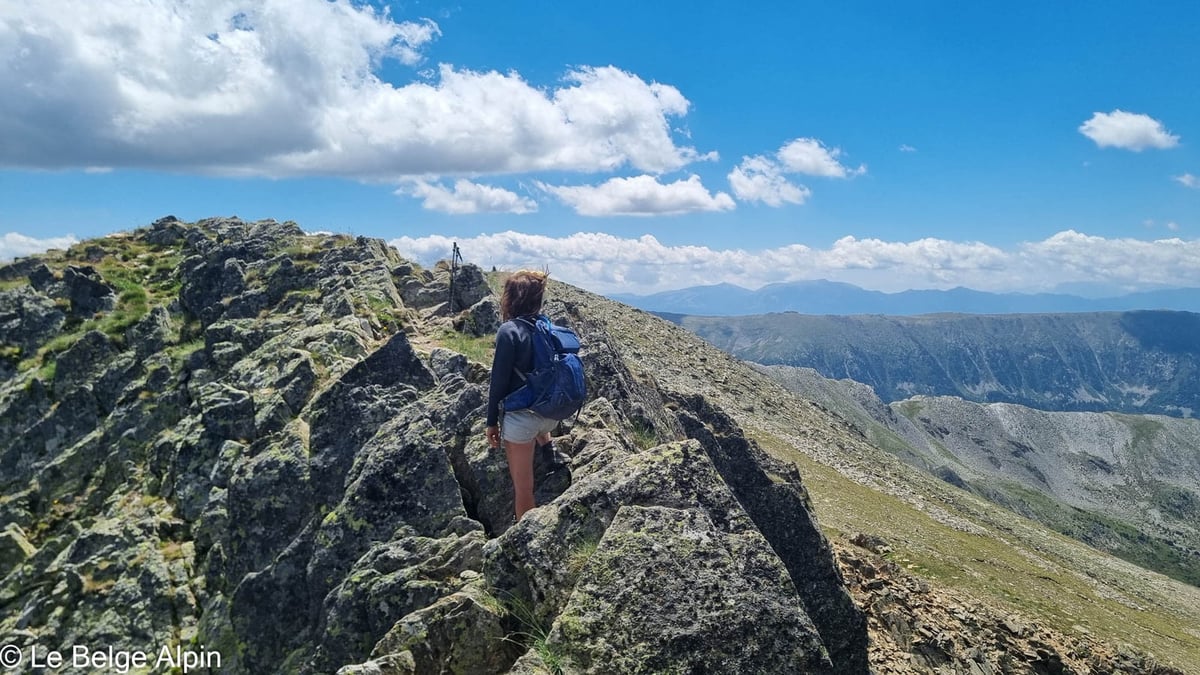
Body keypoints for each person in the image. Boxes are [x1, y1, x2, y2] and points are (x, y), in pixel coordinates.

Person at [486, 270, 557, 521]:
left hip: (523, 423)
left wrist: (491, 423)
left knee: (524, 489)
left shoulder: (509, 331)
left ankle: (528, 534)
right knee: (534, 392)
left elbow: (498, 383)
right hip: (552, 417)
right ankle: (549, 449)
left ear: (511, 298)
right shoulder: (547, 327)